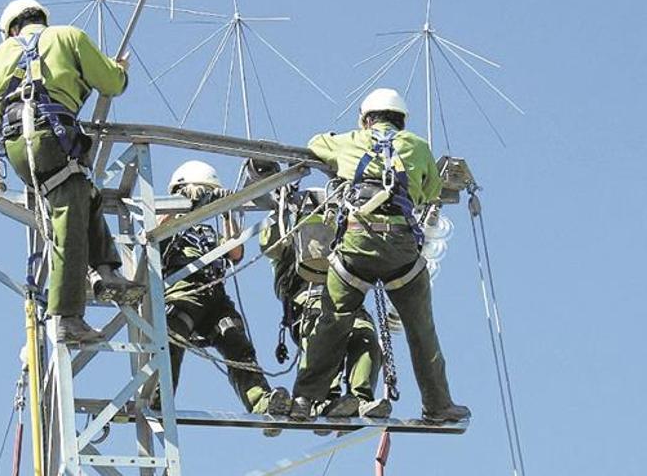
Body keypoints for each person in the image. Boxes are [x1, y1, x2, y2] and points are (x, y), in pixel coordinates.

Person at [289, 88, 471, 423]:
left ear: (367, 118)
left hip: (356, 247)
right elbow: (431, 192)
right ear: (401, 120)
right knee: (421, 329)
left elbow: (316, 143)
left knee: (332, 322)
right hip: (401, 252)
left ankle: (303, 400)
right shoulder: (417, 146)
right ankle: (437, 404)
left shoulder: (351, 140)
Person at [0, 0, 143, 343]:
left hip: (19, 146)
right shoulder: (68, 37)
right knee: (69, 214)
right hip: (54, 136)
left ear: (11, 29)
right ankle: (66, 316)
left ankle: (106, 270)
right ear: (41, 19)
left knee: (82, 192)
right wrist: (118, 70)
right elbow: (111, 83)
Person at [151, 161, 291, 432]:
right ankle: (159, 399)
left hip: (215, 295)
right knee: (173, 338)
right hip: (185, 291)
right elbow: (155, 233)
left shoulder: (207, 230)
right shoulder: (168, 219)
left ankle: (261, 401)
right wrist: (182, 202)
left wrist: (226, 211)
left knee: (236, 342)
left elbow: (235, 254)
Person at [259, 188, 390, 420]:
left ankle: (361, 400)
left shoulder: (339, 233)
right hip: (308, 302)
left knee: (365, 335)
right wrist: (279, 205)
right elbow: (270, 245)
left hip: (346, 299)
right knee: (323, 335)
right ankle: (323, 400)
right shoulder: (288, 236)